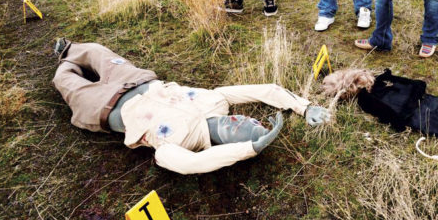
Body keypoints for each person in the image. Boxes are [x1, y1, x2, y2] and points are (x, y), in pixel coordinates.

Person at [51, 39, 330, 175]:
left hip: (105, 108)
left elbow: (192, 165)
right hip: (136, 80)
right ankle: (69, 50)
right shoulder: (218, 100)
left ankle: (65, 62)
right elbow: (264, 90)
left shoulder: (183, 145)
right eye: (252, 120)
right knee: (98, 52)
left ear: (229, 144)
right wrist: (303, 108)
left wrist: (251, 148)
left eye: (249, 129)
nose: (246, 121)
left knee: (65, 81)